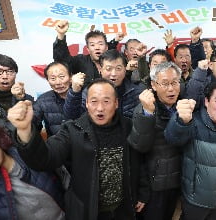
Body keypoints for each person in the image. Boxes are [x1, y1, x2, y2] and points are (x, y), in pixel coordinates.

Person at [8, 78, 148, 220]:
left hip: (122, 209)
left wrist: (142, 193)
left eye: (106, 101)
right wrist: (25, 130)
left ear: (116, 103)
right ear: (86, 103)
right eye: (94, 101)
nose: (100, 108)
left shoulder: (129, 126)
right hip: (87, 210)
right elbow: (46, 158)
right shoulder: (72, 130)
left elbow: (139, 161)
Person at [164, 80, 216, 220]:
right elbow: (173, 138)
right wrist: (181, 121)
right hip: (195, 200)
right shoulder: (193, 122)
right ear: (206, 101)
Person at [128, 62, 182, 220]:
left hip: (175, 183)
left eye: (174, 82)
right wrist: (148, 114)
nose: (171, 89)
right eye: (165, 83)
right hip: (154, 188)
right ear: (153, 85)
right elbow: (139, 149)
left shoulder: (182, 107)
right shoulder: (144, 109)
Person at [63, 49, 145, 120]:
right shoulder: (89, 91)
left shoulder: (137, 92)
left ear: (125, 70)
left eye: (118, 68)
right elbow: (71, 118)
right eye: (108, 69)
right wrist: (74, 92)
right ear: (101, 71)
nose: (113, 73)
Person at [53, 20, 121, 85]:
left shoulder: (114, 62)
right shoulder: (80, 61)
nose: (97, 47)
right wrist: (61, 35)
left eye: (100, 44)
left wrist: (115, 40)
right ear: (88, 49)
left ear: (106, 47)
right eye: (92, 45)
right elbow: (62, 61)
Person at [32, 61, 72, 136]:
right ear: (48, 80)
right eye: (53, 78)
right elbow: (33, 126)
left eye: (62, 77)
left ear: (70, 77)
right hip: (56, 145)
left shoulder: (83, 96)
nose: (58, 82)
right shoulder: (43, 100)